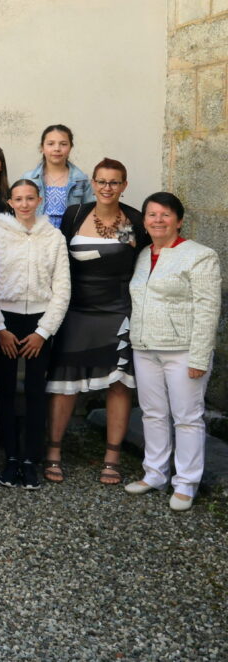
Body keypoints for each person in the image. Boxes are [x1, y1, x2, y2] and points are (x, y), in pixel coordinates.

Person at [45, 158, 148, 484]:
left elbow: (144, 262)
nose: (107, 187)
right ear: (93, 183)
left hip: (118, 310)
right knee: (64, 383)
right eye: (101, 181)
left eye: (114, 182)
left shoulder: (135, 220)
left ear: (124, 185)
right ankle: (53, 452)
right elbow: (58, 259)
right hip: (76, 310)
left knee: (119, 383)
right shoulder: (76, 215)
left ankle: (112, 457)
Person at [125, 192, 221, 511]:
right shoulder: (142, 255)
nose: (158, 220)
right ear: (144, 221)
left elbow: (209, 309)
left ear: (179, 220)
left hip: (182, 350)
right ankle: (154, 473)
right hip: (145, 346)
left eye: (165, 215)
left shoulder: (199, 255)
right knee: (152, 413)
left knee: (187, 417)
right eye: (152, 214)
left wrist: (199, 357)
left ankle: (186, 482)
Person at [0, 179, 70, 490]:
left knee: (35, 391)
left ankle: (31, 457)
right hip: (7, 319)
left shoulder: (53, 237)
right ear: (10, 202)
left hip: (40, 321)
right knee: (5, 389)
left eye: (30, 198)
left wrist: (43, 332)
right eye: (18, 199)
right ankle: (11, 457)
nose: (24, 204)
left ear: (39, 200)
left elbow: (62, 290)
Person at [21, 124, 94, 228]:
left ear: (70, 147)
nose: (57, 148)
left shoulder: (81, 180)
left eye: (63, 144)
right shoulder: (28, 179)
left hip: (69, 237)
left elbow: (90, 213)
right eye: (50, 144)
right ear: (42, 147)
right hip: (36, 238)